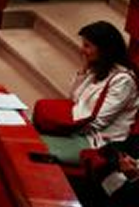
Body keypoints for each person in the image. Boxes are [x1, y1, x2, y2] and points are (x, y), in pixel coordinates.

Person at [36, 21, 138, 164]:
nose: (82, 50)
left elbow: (98, 122)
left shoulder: (123, 80)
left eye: (87, 46)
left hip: (97, 142)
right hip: (77, 130)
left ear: (104, 49)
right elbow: (73, 98)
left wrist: (61, 128)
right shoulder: (98, 68)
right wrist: (83, 71)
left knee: (34, 147)